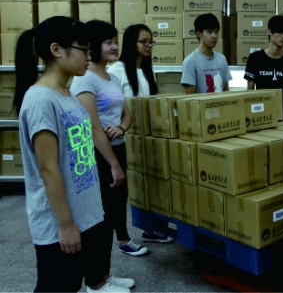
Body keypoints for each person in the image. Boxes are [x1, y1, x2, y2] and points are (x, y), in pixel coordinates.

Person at [12, 16, 130, 292]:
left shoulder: (66, 93)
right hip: (59, 223)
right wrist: (65, 225)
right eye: (83, 50)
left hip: (83, 212)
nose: (88, 57)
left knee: (73, 282)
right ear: (56, 50)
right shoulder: (41, 100)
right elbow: (48, 169)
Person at [70, 20, 148, 261]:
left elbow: (127, 113)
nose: (114, 47)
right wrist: (113, 163)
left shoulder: (112, 78)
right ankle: (100, 270)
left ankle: (123, 240)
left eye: (115, 41)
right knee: (103, 208)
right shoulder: (85, 79)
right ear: (94, 45)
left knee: (119, 198)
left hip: (118, 146)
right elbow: (93, 128)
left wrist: (121, 128)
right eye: (108, 42)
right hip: (98, 154)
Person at [107, 23, 174, 244]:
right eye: (143, 42)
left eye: (151, 42)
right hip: (125, 140)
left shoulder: (146, 70)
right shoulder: (116, 71)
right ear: (130, 43)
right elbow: (112, 109)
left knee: (149, 187)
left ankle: (151, 230)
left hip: (146, 140)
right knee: (123, 192)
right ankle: (123, 238)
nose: (149, 46)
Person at [244, 15, 283, 121]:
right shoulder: (255, 58)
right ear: (270, 32)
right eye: (280, 32)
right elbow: (250, 91)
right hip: (261, 118)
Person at [180, 12, 231, 93]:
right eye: (209, 32)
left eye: (216, 32)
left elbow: (226, 91)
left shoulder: (222, 59)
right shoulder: (190, 62)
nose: (214, 36)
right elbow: (190, 98)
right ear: (199, 33)